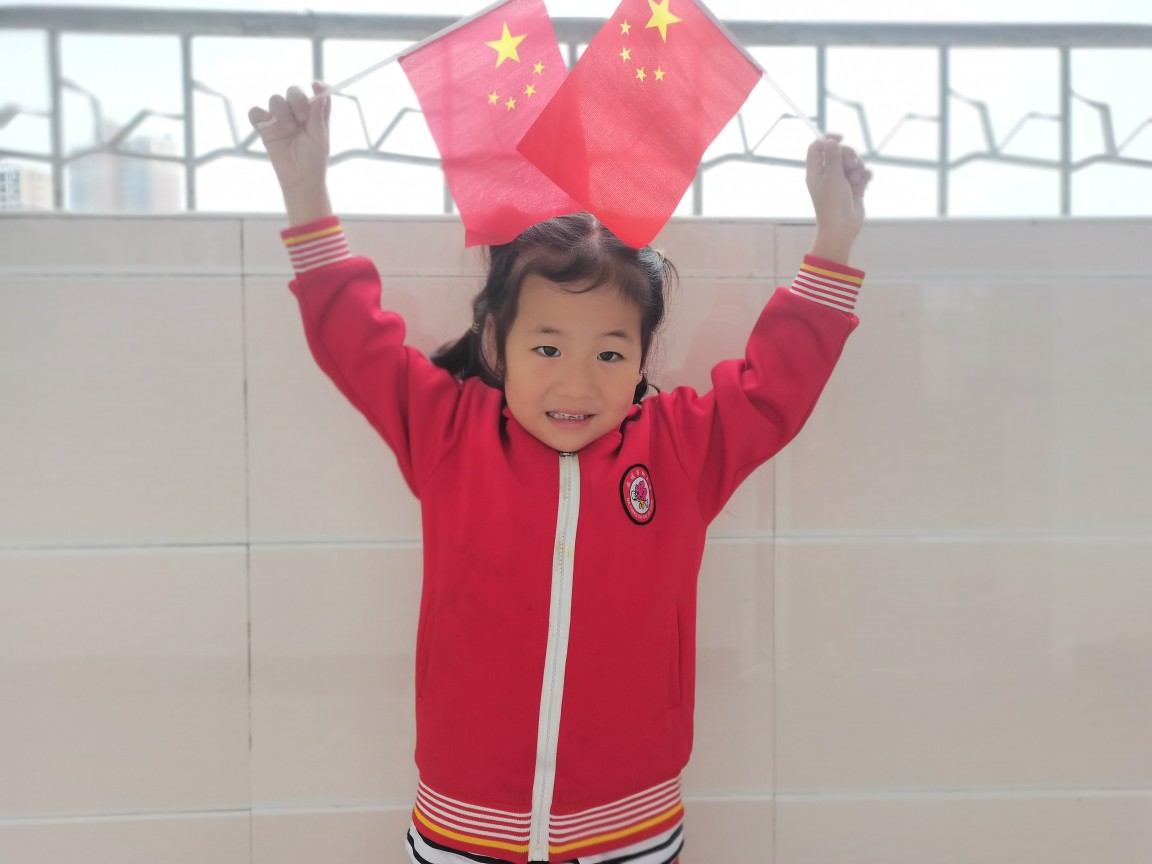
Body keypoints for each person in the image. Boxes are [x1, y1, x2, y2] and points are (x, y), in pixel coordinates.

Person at [250, 82, 871, 864]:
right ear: (495, 345)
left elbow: (778, 384)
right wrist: (304, 189)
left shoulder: (680, 449)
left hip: (632, 825)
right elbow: (355, 342)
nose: (577, 384)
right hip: (464, 821)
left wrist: (835, 238)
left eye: (610, 353)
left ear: (642, 358)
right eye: (547, 348)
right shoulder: (448, 434)